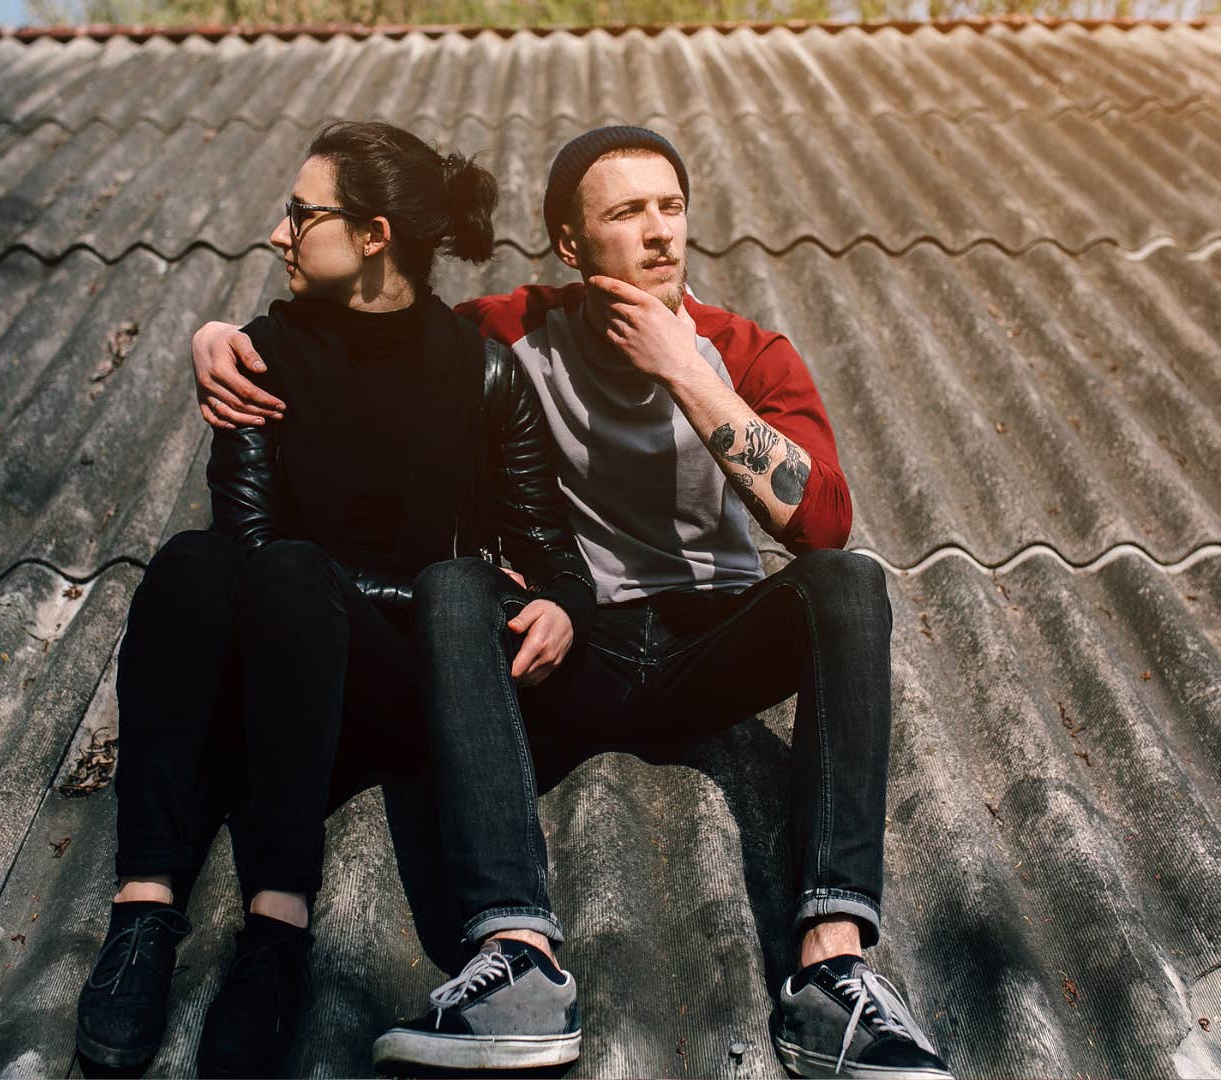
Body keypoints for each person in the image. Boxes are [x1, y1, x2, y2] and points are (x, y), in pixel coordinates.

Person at [192, 125, 952, 1079]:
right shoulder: (509, 328)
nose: (660, 233)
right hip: (573, 646)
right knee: (456, 588)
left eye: (671, 207)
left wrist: (684, 368)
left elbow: (822, 523)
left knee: (849, 583)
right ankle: (516, 960)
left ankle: (831, 977)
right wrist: (222, 337)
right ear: (569, 242)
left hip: (705, 640)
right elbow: (378, 326)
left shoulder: (746, 352)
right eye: (627, 213)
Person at [76, 120, 594, 1078]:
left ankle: (275, 938)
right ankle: (142, 917)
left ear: (372, 236)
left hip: (395, 687)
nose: (278, 233)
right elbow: (245, 543)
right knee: (194, 561)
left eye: (299, 212)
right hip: (280, 661)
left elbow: (554, 562)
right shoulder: (258, 354)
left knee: (290, 571)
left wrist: (561, 604)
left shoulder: (481, 373)